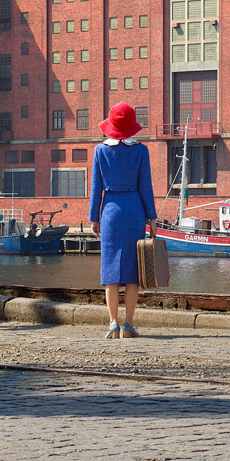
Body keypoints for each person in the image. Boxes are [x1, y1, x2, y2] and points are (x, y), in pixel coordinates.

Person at [86, 102, 157, 338]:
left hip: (110, 211)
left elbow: (96, 188)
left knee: (111, 270)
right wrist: (152, 218)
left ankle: (112, 323)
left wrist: (94, 217)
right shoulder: (141, 151)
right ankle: (128, 324)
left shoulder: (100, 151)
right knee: (133, 271)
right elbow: (146, 187)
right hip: (135, 209)